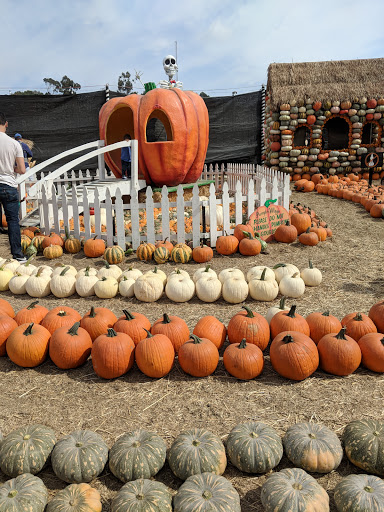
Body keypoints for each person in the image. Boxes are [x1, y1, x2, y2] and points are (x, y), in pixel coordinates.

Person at [0, 112, 27, 262]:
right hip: (8, 185)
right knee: (12, 221)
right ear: (6, 124)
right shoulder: (14, 143)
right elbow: (22, 170)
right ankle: (18, 255)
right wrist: (11, 169)